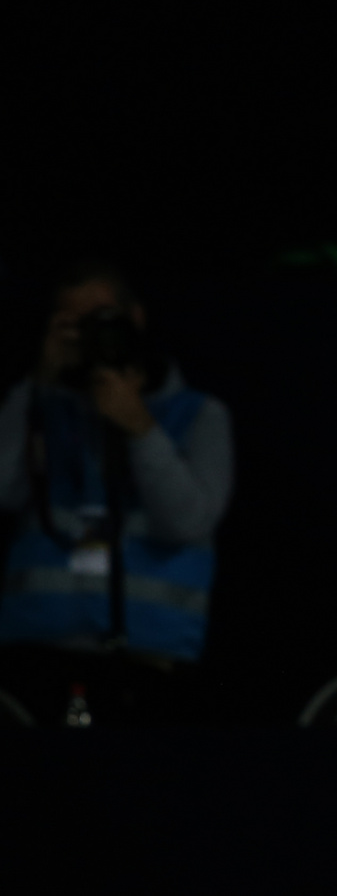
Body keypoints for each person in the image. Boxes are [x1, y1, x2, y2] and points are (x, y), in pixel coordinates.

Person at [0, 261, 233, 723]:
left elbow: (189, 521)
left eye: (104, 319)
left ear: (137, 318)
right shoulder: (36, 407)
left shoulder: (197, 415)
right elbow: (3, 494)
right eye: (76, 323)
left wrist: (139, 427)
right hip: (34, 655)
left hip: (150, 659)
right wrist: (36, 387)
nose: (92, 334)